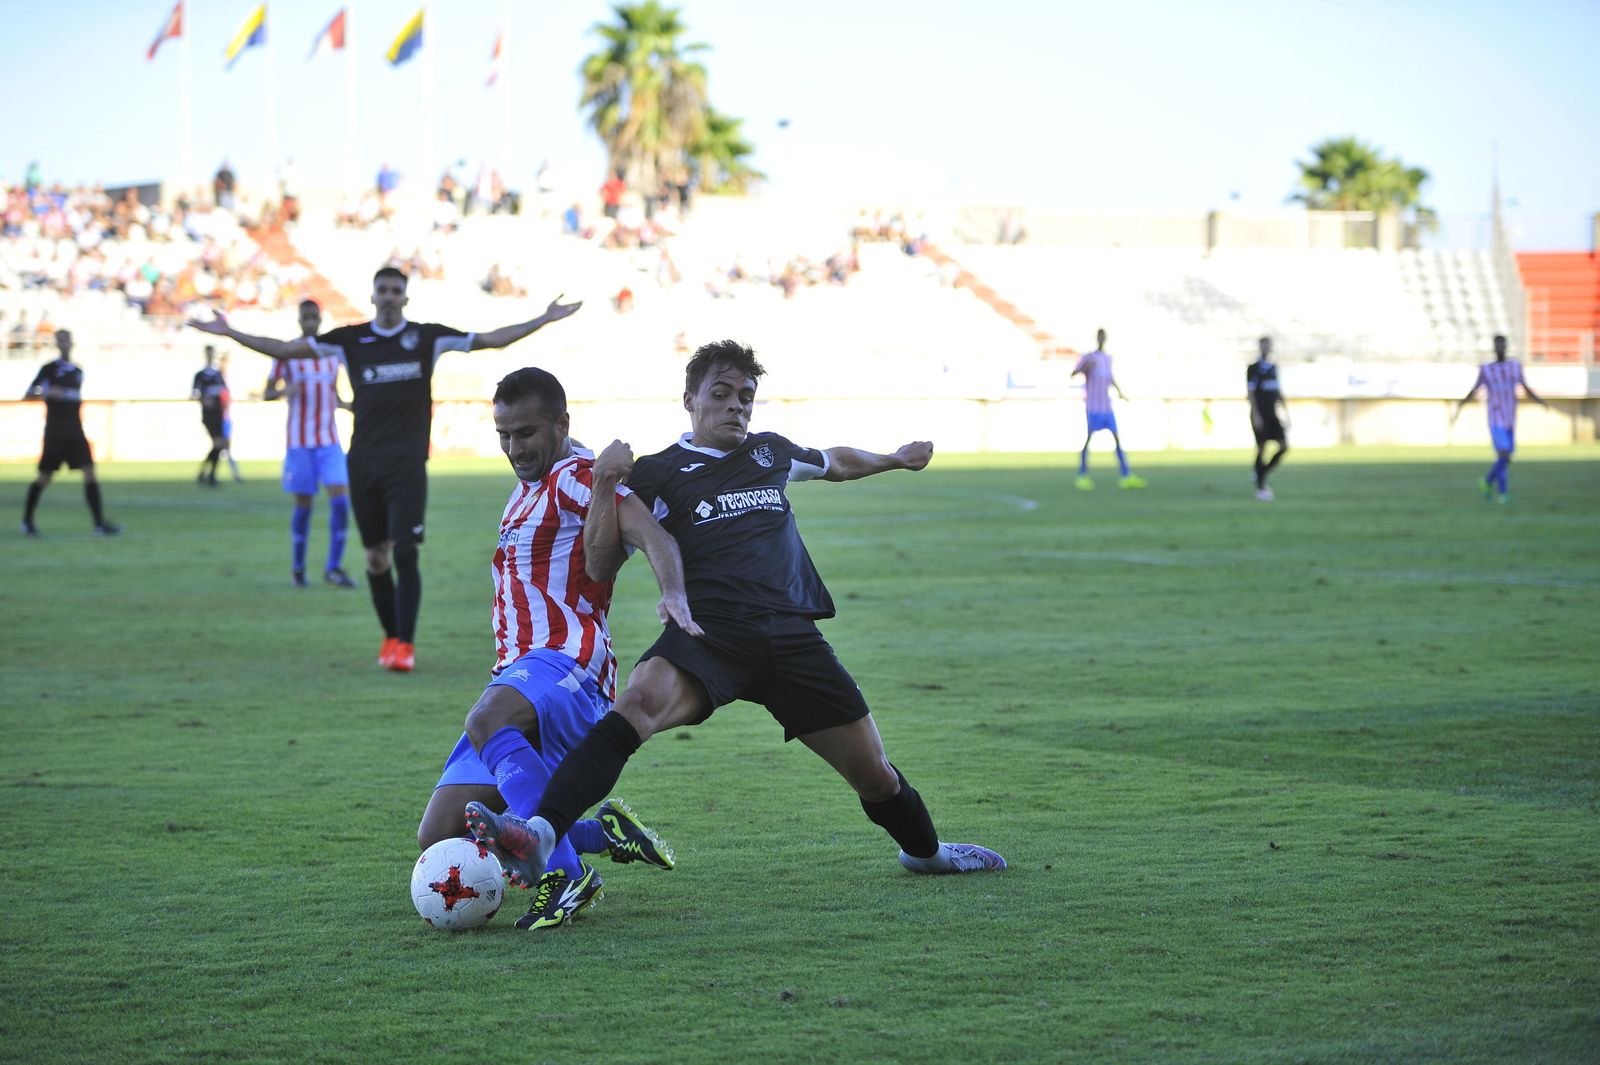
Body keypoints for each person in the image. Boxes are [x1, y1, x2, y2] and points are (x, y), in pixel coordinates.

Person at [465, 340, 1007, 895]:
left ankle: (929, 854)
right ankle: (541, 835)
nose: (736, 407)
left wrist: (893, 459)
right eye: (720, 394)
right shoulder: (658, 474)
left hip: (791, 638)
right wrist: (607, 486)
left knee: (874, 774)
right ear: (689, 400)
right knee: (636, 705)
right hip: (709, 635)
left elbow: (836, 461)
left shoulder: (770, 453)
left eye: (745, 396)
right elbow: (601, 563)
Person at [187, 267, 582, 674]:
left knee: (406, 551)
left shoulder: (426, 338)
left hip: (408, 462)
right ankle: (391, 635)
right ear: (373, 296)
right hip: (363, 463)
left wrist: (543, 318)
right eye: (384, 290)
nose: (390, 296)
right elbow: (285, 350)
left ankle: (406, 646)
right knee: (375, 558)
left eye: (397, 290)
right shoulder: (349, 340)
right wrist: (230, 332)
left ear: (405, 298)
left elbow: (489, 340)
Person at [419, 366, 695, 929]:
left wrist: (673, 596)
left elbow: (653, 536)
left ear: (561, 424)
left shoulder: (577, 476)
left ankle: (568, 878)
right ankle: (600, 832)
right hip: (521, 669)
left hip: (569, 665)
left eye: (526, 433)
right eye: (504, 435)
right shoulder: (527, 489)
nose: (514, 447)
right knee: (441, 832)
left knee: (488, 717)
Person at [261, 299, 356, 588]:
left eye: (315, 317)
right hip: (299, 442)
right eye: (306, 317)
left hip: (329, 441)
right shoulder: (286, 354)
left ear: (320, 319)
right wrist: (283, 391)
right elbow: (267, 392)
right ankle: (298, 569)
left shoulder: (332, 355)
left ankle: (333, 568)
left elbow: (334, 393)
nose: (311, 322)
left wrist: (351, 405)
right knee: (304, 506)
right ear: (299, 320)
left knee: (341, 504)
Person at [20, 329, 122, 536]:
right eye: (61, 340)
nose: (65, 344)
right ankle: (27, 521)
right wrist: (47, 392)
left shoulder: (77, 370)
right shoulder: (49, 369)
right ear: (56, 343)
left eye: (67, 340)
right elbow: (29, 394)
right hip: (55, 432)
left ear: (71, 342)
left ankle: (99, 524)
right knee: (44, 477)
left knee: (90, 473)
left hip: (75, 430)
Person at [1454, 334, 1549, 504]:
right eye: (1497, 345)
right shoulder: (1486, 369)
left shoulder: (1515, 367)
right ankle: (1503, 493)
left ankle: (1487, 482)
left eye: (1502, 344)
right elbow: (1474, 389)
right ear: (1494, 348)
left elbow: (1526, 388)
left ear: (1506, 346)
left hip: (1510, 420)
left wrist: (1540, 401)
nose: (1499, 348)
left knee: (1507, 458)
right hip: (1495, 418)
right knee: (1503, 454)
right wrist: (1461, 404)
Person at [1071, 329, 1145, 490]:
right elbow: (1074, 373)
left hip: (1107, 407)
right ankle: (1082, 475)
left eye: (1104, 336)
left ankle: (1126, 475)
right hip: (1093, 407)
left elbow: (1111, 378)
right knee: (1088, 440)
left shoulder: (1108, 358)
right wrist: (1085, 367)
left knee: (1117, 439)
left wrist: (1121, 393)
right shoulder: (1089, 357)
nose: (1102, 339)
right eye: (1100, 336)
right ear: (1096, 338)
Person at [1247, 337, 1289, 501]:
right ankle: (1261, 488)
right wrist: (1255, 414)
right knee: (1262, 448)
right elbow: (1250, 394)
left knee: (1284, 446)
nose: (1266, 348)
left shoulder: (1273, 368)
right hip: (1260, 415)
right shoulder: (1253, 369)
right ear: (1260, 347)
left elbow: (1278, 392)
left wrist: (1286, 414)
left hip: (1273, 414)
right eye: (1264, 345)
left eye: (1268, 345)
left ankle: (1260, 472)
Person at [191, 346, 229, 486]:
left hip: (219, 413)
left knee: (220, 444)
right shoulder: (200, 375)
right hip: (208, 414)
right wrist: (203, 399)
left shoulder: (218, 374)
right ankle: (209, 475)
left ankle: (206, 474)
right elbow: (194, 394)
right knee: (218, 443)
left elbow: (224, 391)